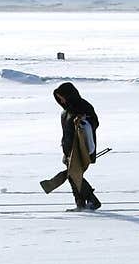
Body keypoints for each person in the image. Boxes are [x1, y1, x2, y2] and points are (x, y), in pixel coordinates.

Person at [40, 82, 101, 210]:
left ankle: (91, 200)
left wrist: (83, 120)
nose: (61, 99)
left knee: (74, 175)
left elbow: (94, 123)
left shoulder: (83, 106)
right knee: (73, 176)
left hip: (81, 149)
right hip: (69, 150)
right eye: (58, 97)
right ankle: (82, 204)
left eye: (62, 96)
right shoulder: (65, 112)